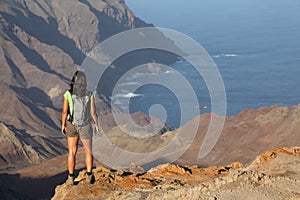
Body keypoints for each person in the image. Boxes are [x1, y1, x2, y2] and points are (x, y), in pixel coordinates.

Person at [61, 70, 99, 185]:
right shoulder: (89, 94)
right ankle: (88, 176)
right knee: (88, 151)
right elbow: (93, 112)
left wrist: (63, 124)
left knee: (72, 152)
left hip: (72, 124)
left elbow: (64, 111)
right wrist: (97, 124)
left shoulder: (68, 94)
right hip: (85, 125)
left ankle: (71, 178)